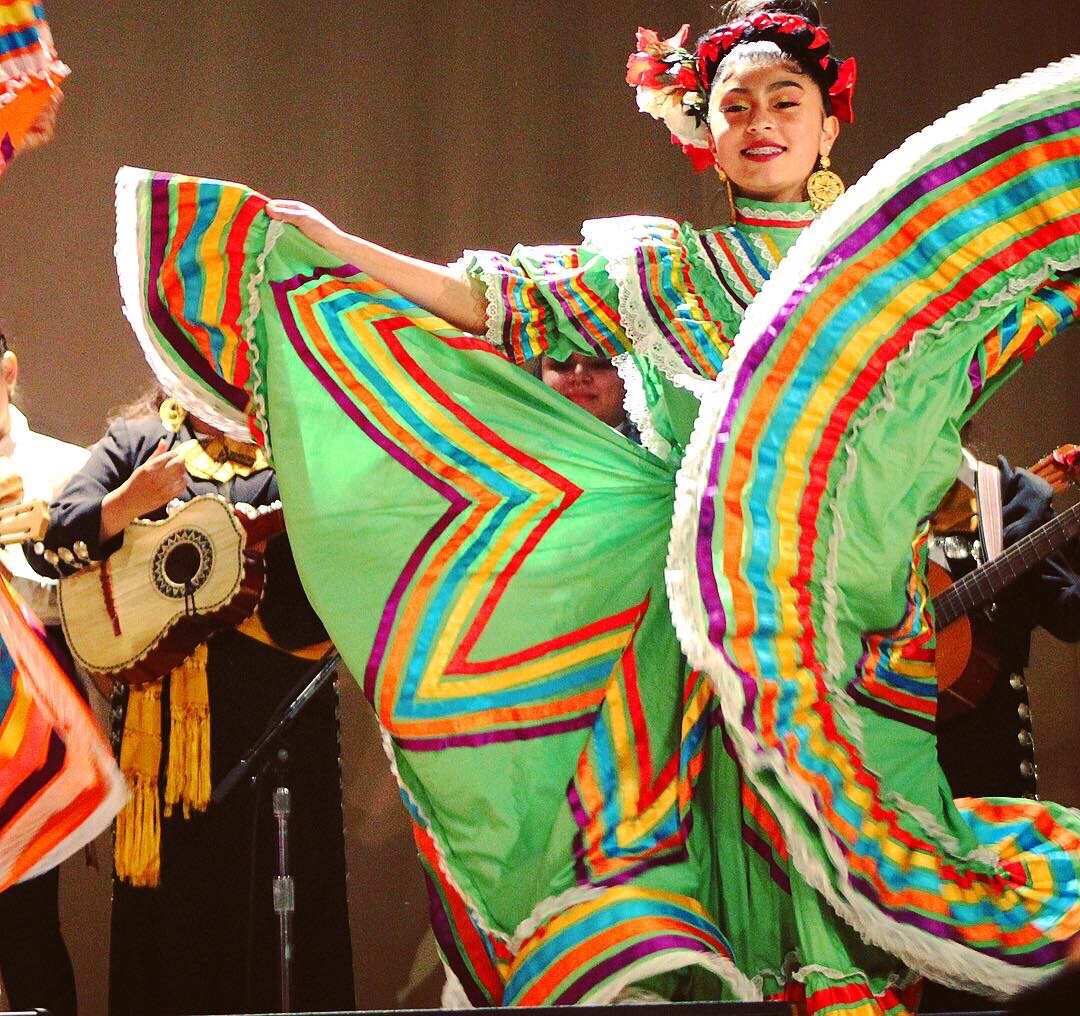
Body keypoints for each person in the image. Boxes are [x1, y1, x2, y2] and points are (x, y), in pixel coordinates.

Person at [110, 2, 1080, 1013]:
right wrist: (338, 243)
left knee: (852, 896)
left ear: (831, 125)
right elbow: (485, 300)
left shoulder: (897, 284)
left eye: (785, 99)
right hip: (680, 628)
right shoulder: (664, 270)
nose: (759, 118)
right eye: (733, 102)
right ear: (704, 133)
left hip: (851, 617)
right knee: (706, 887)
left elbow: (1000, 317)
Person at [28, 392, 355, 1016]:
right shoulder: (140, 443)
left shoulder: (297, 444)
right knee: (174, 945)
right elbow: (49, 541)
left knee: (280, 934)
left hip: (280, 736)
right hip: (168, 749)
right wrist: (130, 502)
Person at [0, 326, 91, 1016]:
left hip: (32, 720)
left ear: (8, 371)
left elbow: (96, 611)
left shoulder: (68, 469)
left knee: (27, 932)